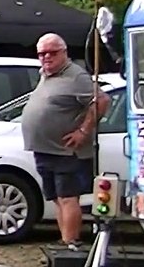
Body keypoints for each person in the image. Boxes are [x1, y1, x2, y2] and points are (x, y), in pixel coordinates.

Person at [20, 32, 109, 248]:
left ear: (64, 53)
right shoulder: (46, 75)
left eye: (52, 53)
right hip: (45, 149)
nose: (47, 57)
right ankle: (64, 241)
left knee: (68, 197)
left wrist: (83, 131)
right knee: (56, 198)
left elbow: (102, 100)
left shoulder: (75, 76)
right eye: (42, 53)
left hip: (67, 151)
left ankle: (71, 244)